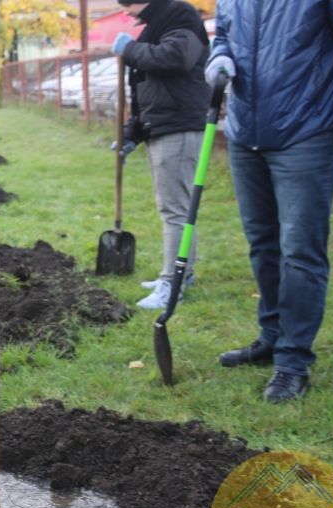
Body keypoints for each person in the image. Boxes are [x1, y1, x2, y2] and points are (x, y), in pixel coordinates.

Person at [207, 0, 333, 402]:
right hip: (244, 132)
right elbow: (223, 34)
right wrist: (219, 55)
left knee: (299, 250)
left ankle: (293, 361)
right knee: (262, 242)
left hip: (306, 130)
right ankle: (272, 337)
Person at [110, 0, 210, 309]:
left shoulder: (179, 15)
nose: (125, 11)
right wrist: (132, 133)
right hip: (163, 126)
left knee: (175, 211)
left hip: (178, 127)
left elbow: (177, 58)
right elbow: (147, 89)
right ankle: (183, 274)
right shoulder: (156, 25)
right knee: (176, 209)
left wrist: (130, 51)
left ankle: (172, 283)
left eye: (127, 4)